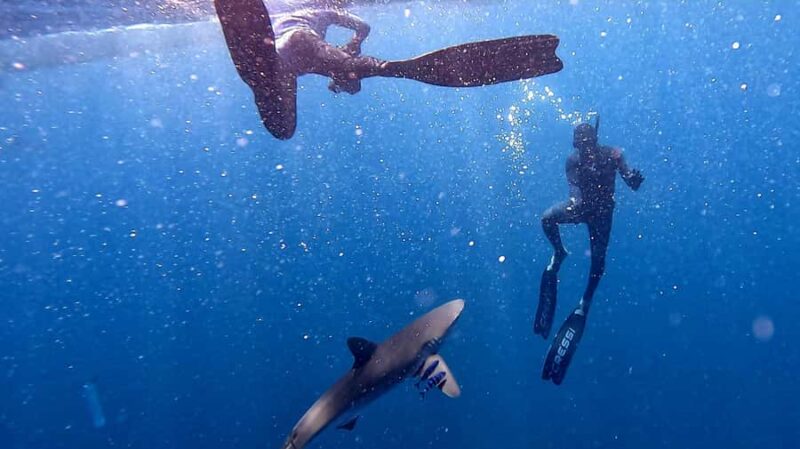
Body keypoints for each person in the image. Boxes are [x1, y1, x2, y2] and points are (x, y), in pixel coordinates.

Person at [214, 0, 564, 140]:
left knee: (283, 127)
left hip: (285, 55)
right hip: (299, 46)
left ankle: (264, 72)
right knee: (354, 77)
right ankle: (382, 68)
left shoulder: (285, 10)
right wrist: (352, 50)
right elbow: (363, 26)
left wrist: (344, 61)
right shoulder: (323, 10)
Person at [534, 118, 644, 385]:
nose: (585, 149)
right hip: (582, 209)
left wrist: (633, 178)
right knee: (547, 218)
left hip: (602, 215)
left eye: (588, 143)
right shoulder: (573, 161)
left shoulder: (613, 154)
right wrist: (574, 202)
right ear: (576, 145)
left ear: (595, 140)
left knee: (598, 261)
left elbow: (629, 178)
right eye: (580, 145)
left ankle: (585, 301)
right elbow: (573, 187)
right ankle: (560, 253)